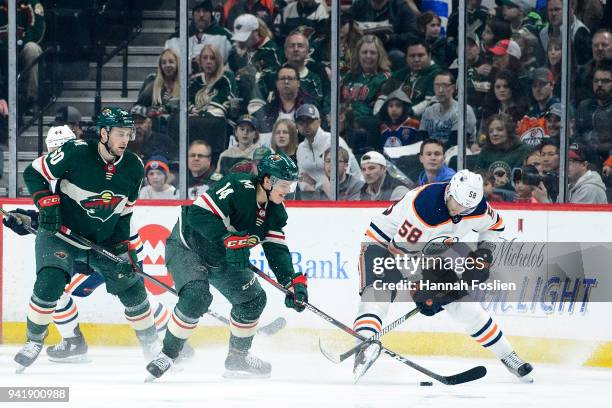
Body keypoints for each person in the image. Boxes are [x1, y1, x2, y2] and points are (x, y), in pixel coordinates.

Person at [14, 107, 160, 372]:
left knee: (133, 290)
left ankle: (152, 345)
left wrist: (124, 252)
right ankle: (34, 340)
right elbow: (33, 173)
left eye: (128, 133)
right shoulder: (76, 151)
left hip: (103, 242)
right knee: (50, 282)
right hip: (61, 236)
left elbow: (125, 214)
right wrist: (46, 204)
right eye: (119, 133)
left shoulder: (134, 166)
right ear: (104, 133)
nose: (125, 139)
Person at [353, 170, 533, 382]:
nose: (462, 212)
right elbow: (399, 254)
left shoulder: (477, 207)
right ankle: (363, 347)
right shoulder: (424, 208)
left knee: (465, 306)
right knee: (377, 297)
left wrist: (483, 255)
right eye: (459, 205)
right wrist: (419, 288)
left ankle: (509, 356)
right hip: (383, 245)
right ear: (450, 192)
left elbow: (495, 226)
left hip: (427, 252)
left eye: (468, 208)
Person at [145, 152, 307, 380]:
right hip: (188, 246)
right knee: (196, 296)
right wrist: (228, 239)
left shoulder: (276, 212)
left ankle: (238, 358)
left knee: (253, 300)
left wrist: (291, 281)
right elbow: (198, 215)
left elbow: (276, 248)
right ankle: (168, 355)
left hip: (222, 257)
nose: (288, 191)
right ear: (268, 180)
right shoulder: (238, 186)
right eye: (284, 185)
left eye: (291, 185)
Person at [295, 104, 361, 195]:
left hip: (350, 195)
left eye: (309, 121)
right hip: (315, 197)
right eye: (301, 122)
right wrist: (307, 187)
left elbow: (344, 176)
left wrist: (317, 185)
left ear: (319, 122)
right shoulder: (301, 148)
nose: (305, 125)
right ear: (297, 126)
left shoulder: (333, 141)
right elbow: (301, 177)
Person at [164, 0, 233, 67]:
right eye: (198, 11)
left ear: (211, 14)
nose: (201, 15)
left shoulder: (225, 36)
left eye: (205, 11)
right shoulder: (175, 38)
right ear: (193, 14)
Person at [419, 71, 478, 148]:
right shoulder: (428, 111)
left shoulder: (463, 110)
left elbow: (456, 142)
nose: (440, 90)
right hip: (430, 153)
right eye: (437, 85)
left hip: (456, 152)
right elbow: (421, 138)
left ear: (453, 88)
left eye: (445, 86)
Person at [475, 113, 530, 192]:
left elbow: (522, 181)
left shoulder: (523, 150)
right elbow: (477, 176)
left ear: (509, 131)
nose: (494, 134)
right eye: (491, 131)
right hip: (488, 193)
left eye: (499, 130)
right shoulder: (485, 150)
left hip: (513, 194)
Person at [189, 44, 238, 120]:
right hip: (196, 122)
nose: (208, 61)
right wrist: (191, 109)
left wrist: (203, 113)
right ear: (200, 62)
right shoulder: (195, 81)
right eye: (205, 58)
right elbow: (185, 102)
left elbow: (229, 103)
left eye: (212, 58)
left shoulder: (226, 77)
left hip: (220, 122)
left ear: (218, 61)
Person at [137, 49, 181, 117]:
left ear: (177, 64)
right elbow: (136, 107)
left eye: (171, 62)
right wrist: (151, 111)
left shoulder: (185, 85)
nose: (167, 65)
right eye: (164, 63)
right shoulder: (152, 84)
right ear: (160, 66)